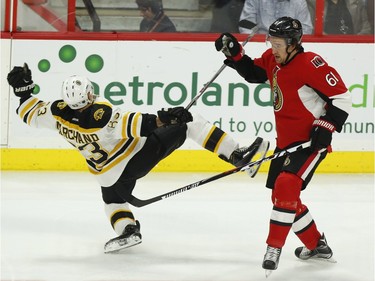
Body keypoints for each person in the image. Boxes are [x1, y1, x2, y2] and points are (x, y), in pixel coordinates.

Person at [7, 63, 268, 253]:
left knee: (112, 201)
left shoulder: (57, 113)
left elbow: (29, 112)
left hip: (106, 173)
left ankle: (127, 230)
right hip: (132, 159)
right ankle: (237, 156)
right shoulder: (100, 115)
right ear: (88, 94)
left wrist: (23, 90)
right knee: (191, 123)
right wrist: (167, 118)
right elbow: (137, 124)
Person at [214, 17, 351, 275]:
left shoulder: (311, 64)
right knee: (281, 197)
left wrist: (326, 126)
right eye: (271, 42)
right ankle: (316, 244)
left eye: (277, 44)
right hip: (285, 144)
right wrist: (235, 54)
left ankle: (273, 248)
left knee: (287, 185)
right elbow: (254, 73)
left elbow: (342, 97)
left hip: (309, 144)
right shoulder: (273, 60)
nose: (273, 48)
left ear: (293, 43)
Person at [238, 0, 313, 34]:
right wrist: (257, 44)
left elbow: (305, 30)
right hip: (260, 45)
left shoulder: (299, 2)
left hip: (288, 48)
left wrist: (290, 46)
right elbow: (246, 26)